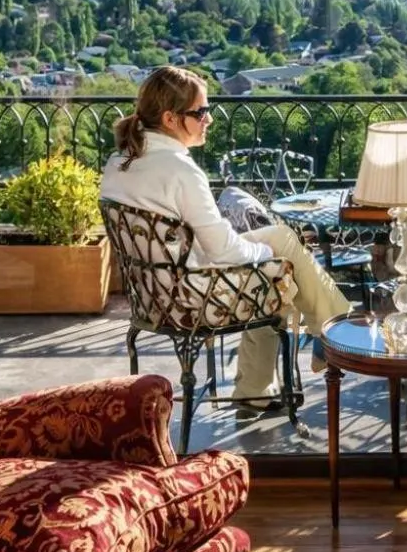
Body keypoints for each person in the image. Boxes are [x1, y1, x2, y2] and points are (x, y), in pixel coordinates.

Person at [100, 66, 351, 414]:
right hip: (194, 297)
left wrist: (266, 249)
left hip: (153, 295)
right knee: (279, 272)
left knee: (281, 241)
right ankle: (334, 332)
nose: (210, 119)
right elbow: (223, 250)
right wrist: (264, 253)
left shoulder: (120, 161)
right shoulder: (179, 170)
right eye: (200, 112)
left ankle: (302, 350)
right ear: (170, 119)